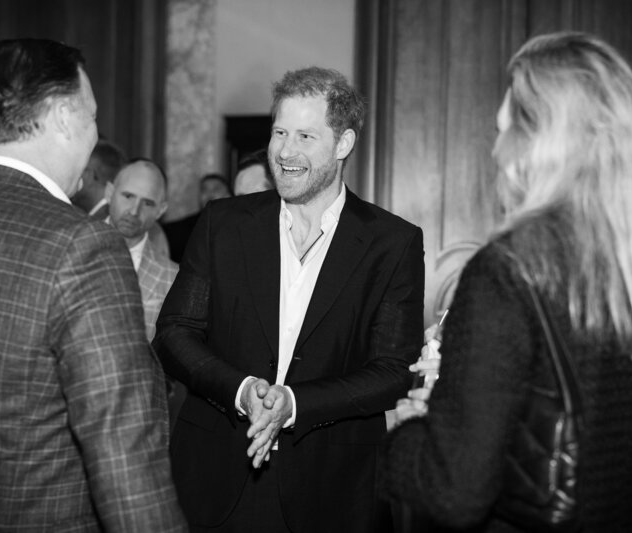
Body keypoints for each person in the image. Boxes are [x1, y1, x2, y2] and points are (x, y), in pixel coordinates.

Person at [382, 32, 632, 532]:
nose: (494, 151)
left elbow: (453, 494)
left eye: (504, 130)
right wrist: (487, 421)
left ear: (539, 144)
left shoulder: (507, 272)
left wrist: (412, 430)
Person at [0, 38, 187, 531]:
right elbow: (124, 458)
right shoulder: (81, 245)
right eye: (92, 117)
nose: (93, 136)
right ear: (65, 116)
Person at [154, 66, 425, 533]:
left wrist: (294, 403)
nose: (285, 151)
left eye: (304, 135)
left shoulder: (391, 243)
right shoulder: (224, 223)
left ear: (343, 145)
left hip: (331, 490)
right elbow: (176, 331)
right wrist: (242, 391)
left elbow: (393, 370)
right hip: (216, 477)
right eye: (279, 132)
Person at [106, 158, 179, 341]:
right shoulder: (72, 249)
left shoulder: (172, 277)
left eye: (147, 203)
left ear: (161, 210)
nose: (134, 210)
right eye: (128, 196)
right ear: (109, 193)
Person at [162, 172, 233, 262]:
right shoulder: (180, 230)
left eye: (216, 189)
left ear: (229, 196)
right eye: (204, 189)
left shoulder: (239, 226)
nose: (209, 194)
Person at [72, 138, 127, 218]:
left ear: (89, 175)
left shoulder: (102, 222)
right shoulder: (116, 216)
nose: (72, 175)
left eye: (76, 169)